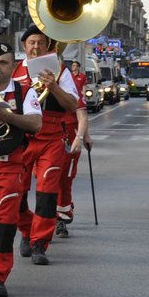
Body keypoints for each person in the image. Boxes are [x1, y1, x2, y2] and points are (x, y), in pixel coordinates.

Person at [10, 25, 80, 265]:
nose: (36, 47)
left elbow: (72, 105)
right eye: (31, 42)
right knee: (15, 192)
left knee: (47, 193)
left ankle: (40, 243)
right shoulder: (14, 70)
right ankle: (27, 230)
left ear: (47, 46)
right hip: (23, 137)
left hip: (51, 137)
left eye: (40, 43)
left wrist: (54, 86)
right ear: (24, 45)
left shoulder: (60, 71)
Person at [0, 43, 43, 297]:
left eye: (3, 63)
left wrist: (6, 115)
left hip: (9, 163)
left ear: (13, 66)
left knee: (5, 224)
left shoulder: (24, 92)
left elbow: (35, 124)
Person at [54, 58, 91, 237]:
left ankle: (62, 218)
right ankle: (51, 214)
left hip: (70, 137)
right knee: (46, 180)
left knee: (65, 179)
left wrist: (82, 137)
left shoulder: (73, 90)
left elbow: (82, 116)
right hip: (50, 137)